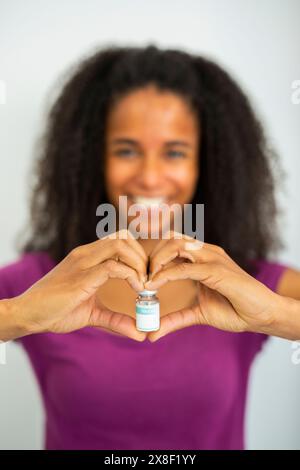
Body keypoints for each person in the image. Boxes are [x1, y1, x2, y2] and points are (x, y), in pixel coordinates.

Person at [0, 45, 299, 450]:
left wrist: (274, 313)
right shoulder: (44, 281)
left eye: (174, 152)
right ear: (94, 158)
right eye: (126, 150)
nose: (150, 177)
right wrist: (16, 314)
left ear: (205, 163)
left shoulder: (247, 283)